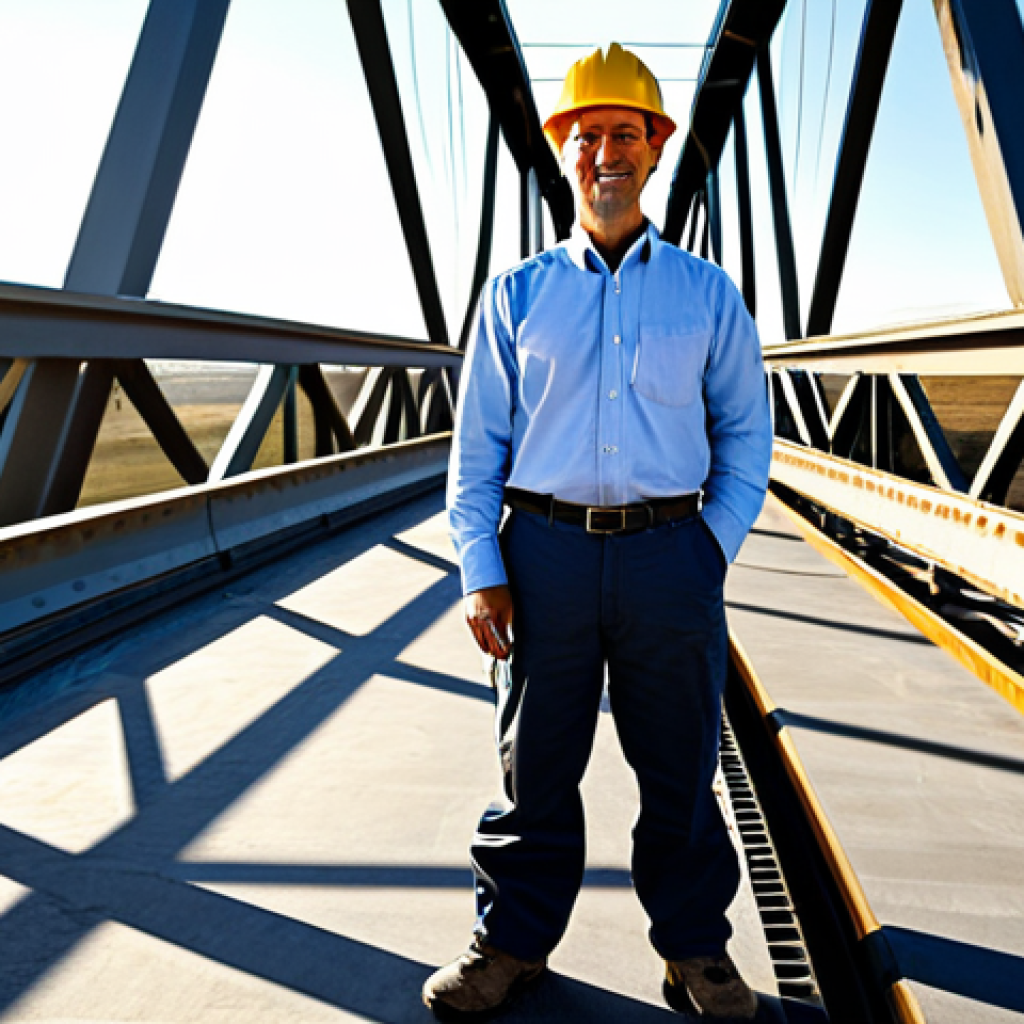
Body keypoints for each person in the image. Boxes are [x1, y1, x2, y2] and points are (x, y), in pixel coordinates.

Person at [423, 43, 773, 1021]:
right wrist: (480, 565)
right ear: (563, 153)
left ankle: (696, 952)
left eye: (626, 132)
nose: (605, 151)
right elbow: (475, 447)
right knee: (532, 769)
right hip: (542, 554)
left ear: (657, 147)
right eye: (587, 135)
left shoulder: (707, 294)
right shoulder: (516, 293)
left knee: (681, 768)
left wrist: (711, 545)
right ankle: (511, 943)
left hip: (671, 552)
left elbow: (748, 433)